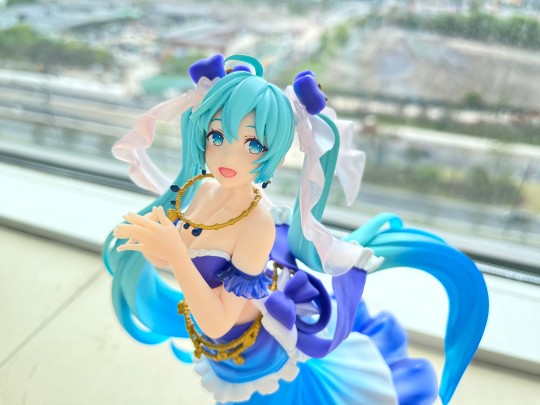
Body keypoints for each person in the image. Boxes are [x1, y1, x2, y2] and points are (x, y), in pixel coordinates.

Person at [103, 54, 489, 405]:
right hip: (219, 350)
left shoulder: (257, 223)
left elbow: (218, 319)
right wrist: (153, 246)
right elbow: (185, 259)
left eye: (252, 145)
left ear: (273, 152)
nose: (227, 155)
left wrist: (173, 253)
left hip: (250, 353)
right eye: (218, 136)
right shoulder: (201, 189)